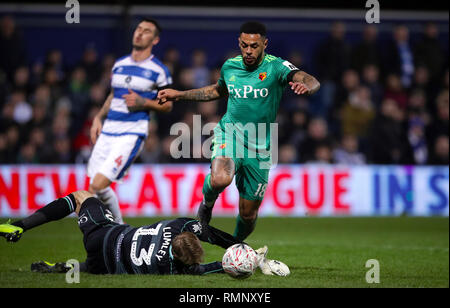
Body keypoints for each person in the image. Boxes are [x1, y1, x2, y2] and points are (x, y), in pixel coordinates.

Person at [158, 21, 320, 241]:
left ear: (265, 44)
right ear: (239, 43)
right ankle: (207, 204)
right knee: (220, 179)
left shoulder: (276, 67)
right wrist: (179, 95)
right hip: (230, 134)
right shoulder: (230, 67)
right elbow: (216, 91)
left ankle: (234, 247)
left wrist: (308, 85)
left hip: (261, 147)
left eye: (254, 46)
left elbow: (309, 79)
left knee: (248, 213)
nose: (249, 51)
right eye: (244, 45)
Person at [0, 190, 279, 276]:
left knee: (82, 197)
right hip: (105, 265)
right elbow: (210, 268)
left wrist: (242, 245)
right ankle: (68, 268)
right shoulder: (171, 268)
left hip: (103, 234)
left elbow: (212, 234)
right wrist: (248, 260)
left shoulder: (177, 226)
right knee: (95, 267)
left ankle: (20, 226)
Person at [88, 18, 173, 224]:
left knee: (97, 186)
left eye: (146, 31)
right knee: (95, 187)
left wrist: (144, 102)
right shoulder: (119, 65)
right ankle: (119, 229)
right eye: (138, 29)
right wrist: (99, 118)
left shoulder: (159, 71)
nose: (140, 33)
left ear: (155, 40)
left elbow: (168, 106)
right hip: (108, 131)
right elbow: (112, 95)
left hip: (131, 133)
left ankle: (116, 231)